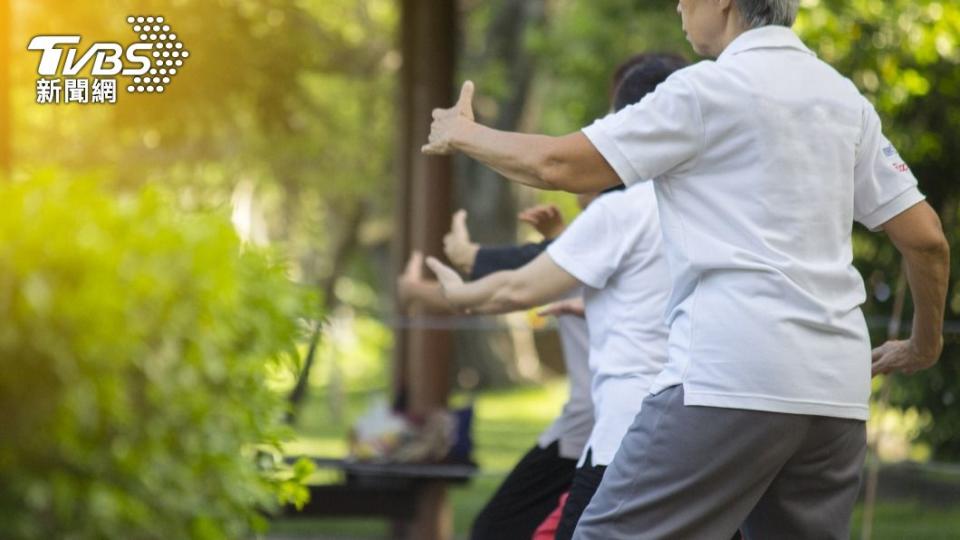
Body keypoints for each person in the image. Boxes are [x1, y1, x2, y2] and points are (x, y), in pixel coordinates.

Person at [420, 0, 950, 538]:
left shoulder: (705, 91)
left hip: (729, 378)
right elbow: (927, 240)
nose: (678, 5)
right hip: (836, 394)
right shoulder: (843, 99)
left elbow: (558, 164)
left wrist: (464, 133)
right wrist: (923, 345)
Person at [398, 205, 594, 540]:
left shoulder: (614, 220)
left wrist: (415, 289)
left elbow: (505, 291)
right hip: (603, 426)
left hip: (600, 427)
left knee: (499, 529)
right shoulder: (620, 227)